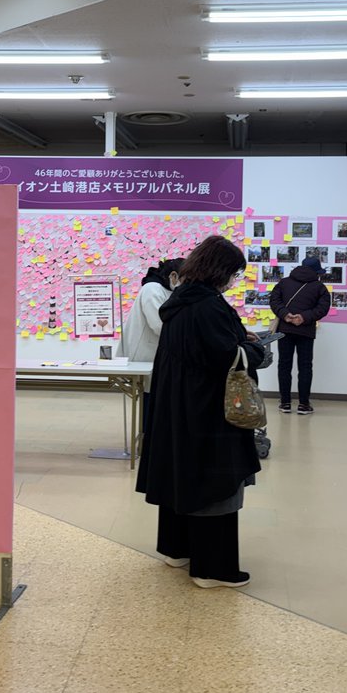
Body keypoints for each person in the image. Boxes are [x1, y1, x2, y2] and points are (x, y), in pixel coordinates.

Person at [136, 236, 264, 588]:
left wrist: (238, 338)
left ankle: (176, 549)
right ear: (219, 270)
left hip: (177, 404)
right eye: (234, 274)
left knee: (180, 474)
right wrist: (256, 352)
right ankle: (212, 568)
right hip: (208, 408)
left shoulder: (179, 300)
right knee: (214, 480)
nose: (233, 281)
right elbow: (227, 357)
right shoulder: (209, 306)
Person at [117, 257, 185, 427]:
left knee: (158, 397)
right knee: (151, 397)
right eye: (185, 280)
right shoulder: (152, 289)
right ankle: (147, 436)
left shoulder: (167, 290)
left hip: (159, 352)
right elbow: (159, 324)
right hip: (145, 354)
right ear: (173, 276)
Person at [268, 255, 332, 415]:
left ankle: (285, 403)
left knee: (284, 365)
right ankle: (303, 404)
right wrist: (304, 317)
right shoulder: (320, 287)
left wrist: (285, 315)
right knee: (305, 367)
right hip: (306, 331)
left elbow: (274, 301)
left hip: (285, 330)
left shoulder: (284, 282)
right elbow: (323, 308)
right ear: (317, 272)